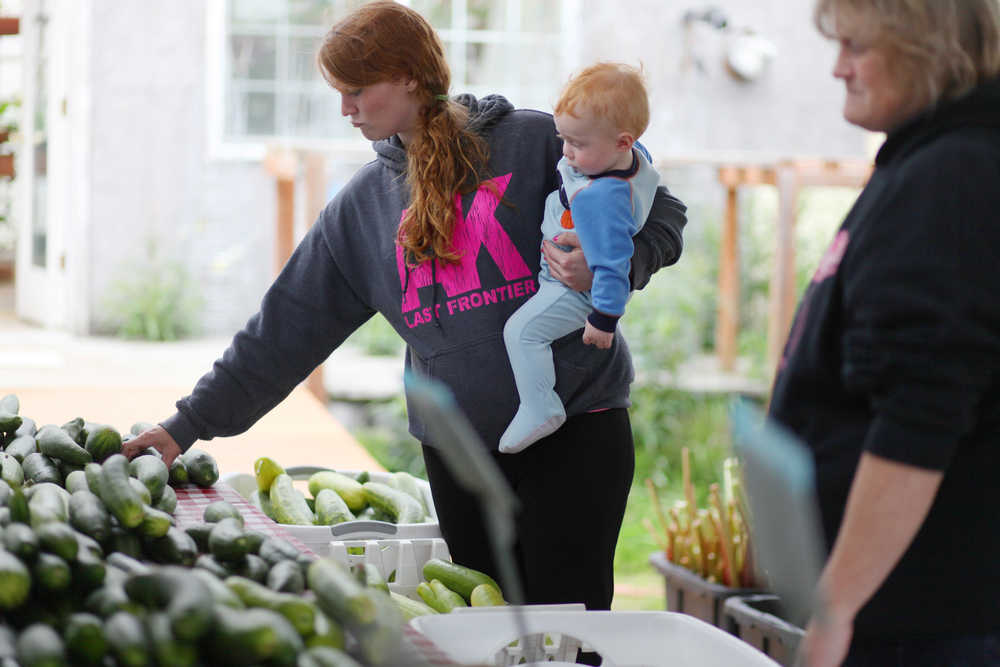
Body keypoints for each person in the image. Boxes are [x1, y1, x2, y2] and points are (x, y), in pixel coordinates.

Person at [123, 0, 686, 613]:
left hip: (578, 430)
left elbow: (661, 214)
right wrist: (184, 425)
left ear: (410, 77)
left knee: (568, 631)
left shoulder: (534, 142)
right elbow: (280, 334)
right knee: (489, 628)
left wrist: (622, 265)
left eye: (358, 89)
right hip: (460, 456)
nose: (346, 109)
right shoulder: (362, 210)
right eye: (340, 93)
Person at [766, 1, 1000, 665]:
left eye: (856, 47)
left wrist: (837, 608)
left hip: (922, 627)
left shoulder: (951, 176)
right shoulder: (932, 160)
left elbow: (919, 417)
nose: (838, 68)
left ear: (928, 48)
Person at [499, 63, 660, 454]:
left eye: (579, 144)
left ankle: (541, 407)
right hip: (579, 272)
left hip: (572, 290)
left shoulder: (599, 199)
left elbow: (612, 264)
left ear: (623, 141)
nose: (566, 152)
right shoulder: (635, 159)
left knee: (521, 332)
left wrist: (604, 319)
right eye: (563, 139)